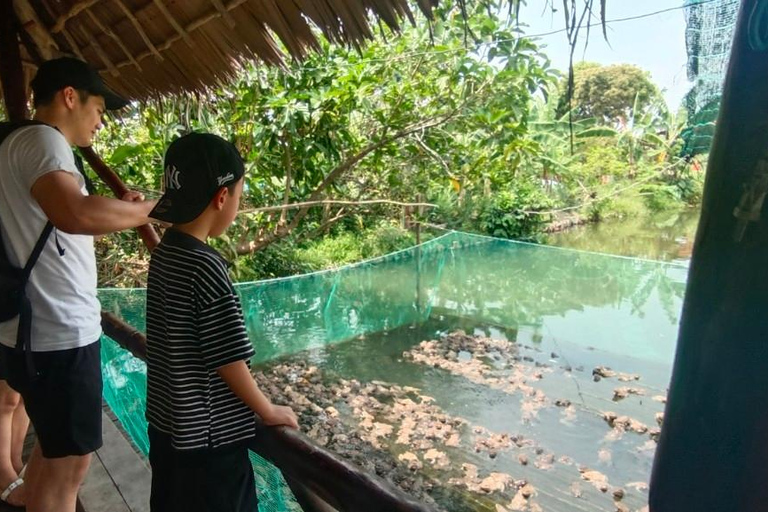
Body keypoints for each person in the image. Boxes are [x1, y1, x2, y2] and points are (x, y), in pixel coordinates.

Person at [0, 57, 157, 512]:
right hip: (58, 331)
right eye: (99, 109)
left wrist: (125, 209)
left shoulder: (17, 144)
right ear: (70, 96)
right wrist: (155, 209)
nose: (100, 122)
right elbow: (76, 214)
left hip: (31, 329)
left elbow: (67, 215)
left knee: (55, 453)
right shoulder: (44, 140)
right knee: (70, 467)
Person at [145, 133, 298, 512]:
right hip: (210, 443)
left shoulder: (165, 253)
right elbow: (227, 358)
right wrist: (267, 410)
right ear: (222, 197)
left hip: (167, 430)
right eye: (239, 197)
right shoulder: (206, 266)